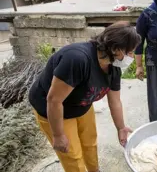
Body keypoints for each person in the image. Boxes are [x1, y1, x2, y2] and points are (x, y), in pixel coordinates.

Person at [28, 21, 141, 172]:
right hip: (55, 109)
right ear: (116, 48)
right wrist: (58, 134)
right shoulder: (77, 59)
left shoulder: (113, 68)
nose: (132, 57)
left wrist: (120, 128)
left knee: (90, 143)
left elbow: (115, 101)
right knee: (72, 154)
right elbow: (54, 100)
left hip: (81, 104)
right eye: (130, 52)